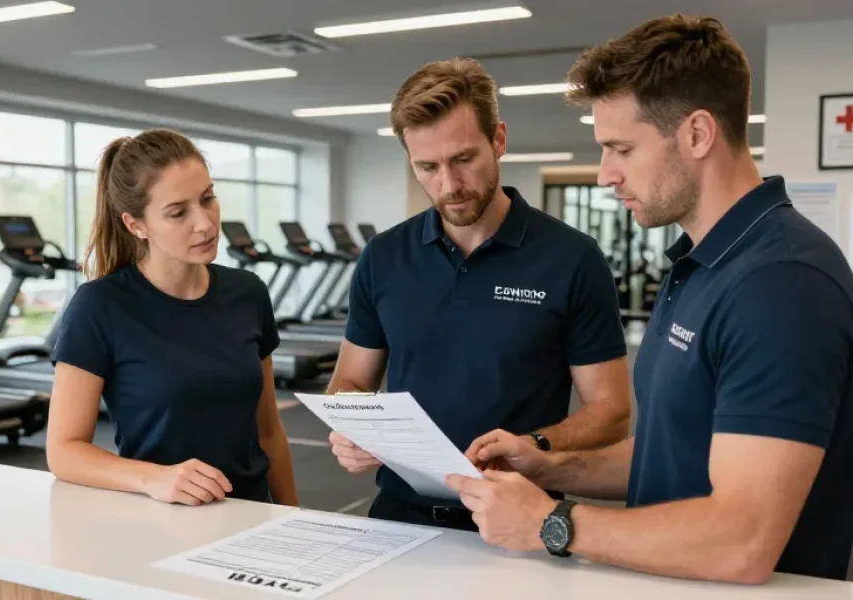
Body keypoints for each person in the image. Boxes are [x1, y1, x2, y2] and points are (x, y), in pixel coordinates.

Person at [445, 14, 853, 584]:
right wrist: (551, 467)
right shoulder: (701, 263)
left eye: (621, 148)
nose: (605, 175)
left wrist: (552, 523)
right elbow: (671, 449)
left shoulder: (781, 282)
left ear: (697, 134)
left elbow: (744, 540)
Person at [327, 58, 633, 530]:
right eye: (427, 167)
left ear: (499, 140)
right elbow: (350, 379)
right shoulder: (383, 256)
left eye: (463, 159)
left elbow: (612, 412)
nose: (448, 185)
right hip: (397, 517)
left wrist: (536, 444)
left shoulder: (573, 258)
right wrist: (350, 424)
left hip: (519, 517)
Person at [46, 128, 298, 508]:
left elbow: (268, 431)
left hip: (252, 514)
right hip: (161, 517)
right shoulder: (100, 306)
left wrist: (292, 516)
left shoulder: (248, 292)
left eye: (208, 199)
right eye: (178, 212)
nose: (205, 223)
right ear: (136, 225)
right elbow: (64, 451)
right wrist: (154, 478)